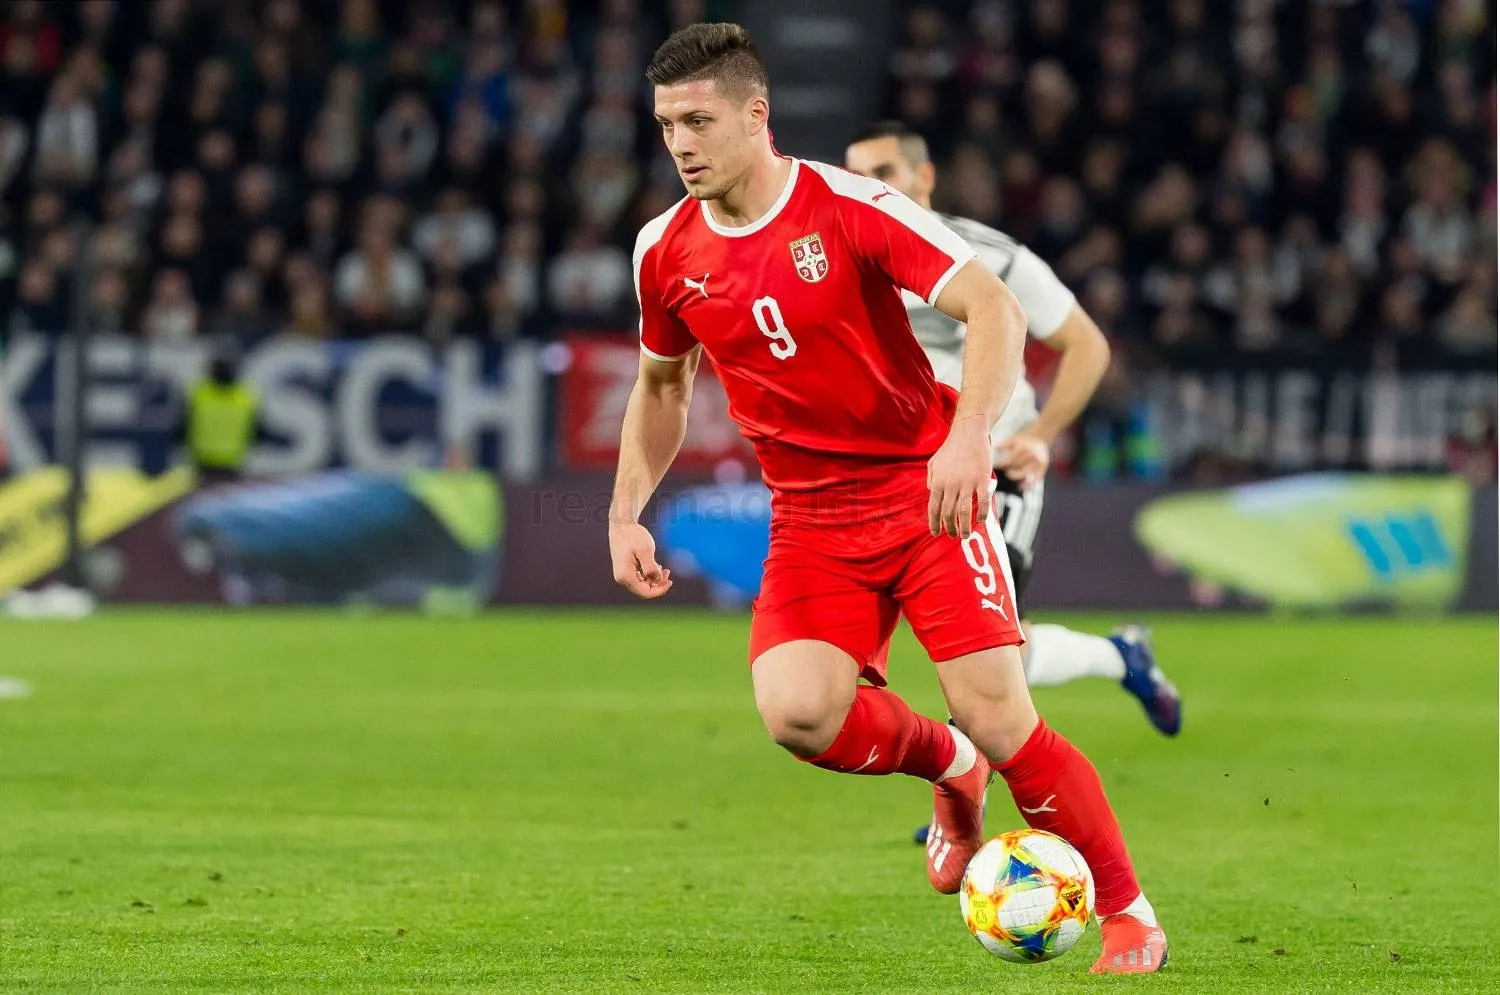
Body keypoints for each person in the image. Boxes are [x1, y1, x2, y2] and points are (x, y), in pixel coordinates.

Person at [608, 23, 1167, 974]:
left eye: (698, 121)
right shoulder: (664, 249)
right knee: (797, 714)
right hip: (812, 518)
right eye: (666, 126)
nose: (682, 145)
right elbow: (664, 385)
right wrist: (624, 511)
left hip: (925, 494)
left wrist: (966, 440)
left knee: (1001, 712)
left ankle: (1129, 912)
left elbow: (990, 307)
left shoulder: (853, 205)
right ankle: (952, 769)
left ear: (757, 116)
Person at [844, 121, 1182, 740]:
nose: (866, 187)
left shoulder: (989, 257)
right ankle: (1121, 656)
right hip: (904, 474)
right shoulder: (842, 264)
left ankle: (958, 812)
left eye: (882, 173)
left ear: (924, 178)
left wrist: (1043, 436)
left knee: (984, 651)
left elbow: (1085, 344)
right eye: (855, 175)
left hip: (995, 466)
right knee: (1004, 658)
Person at [184, 353, 258, 484]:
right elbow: (256, 431)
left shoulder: (199, 394)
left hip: (205, 459)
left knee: (202, 501)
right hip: (232, 460)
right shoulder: (245, 397)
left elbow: (184, 426)